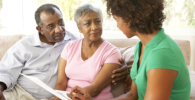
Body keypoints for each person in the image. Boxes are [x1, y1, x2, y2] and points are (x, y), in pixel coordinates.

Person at [0, 4, 128, 100]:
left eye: (61, 22)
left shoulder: (71, 41)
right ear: (40, 29)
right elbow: (5, 70)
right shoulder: (24, 45)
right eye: (51, 26)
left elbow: (105, 50)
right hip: (21, 93)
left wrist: (125, 66)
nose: (59, 30)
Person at [69, 0, 191, 100]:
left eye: (116, 19)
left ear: (129, 18)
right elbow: (132, 95)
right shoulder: (141, 46)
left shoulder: (162, 54)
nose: (117, 25)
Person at [50, 4, 121, 100]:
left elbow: (95, 88)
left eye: (98, 22)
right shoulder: (69, 47)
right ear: (79, 28)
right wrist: (57, 97)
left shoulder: (112, 52)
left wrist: (70, 97)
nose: (94, 27)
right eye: (87, 23)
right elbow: (61, 83)